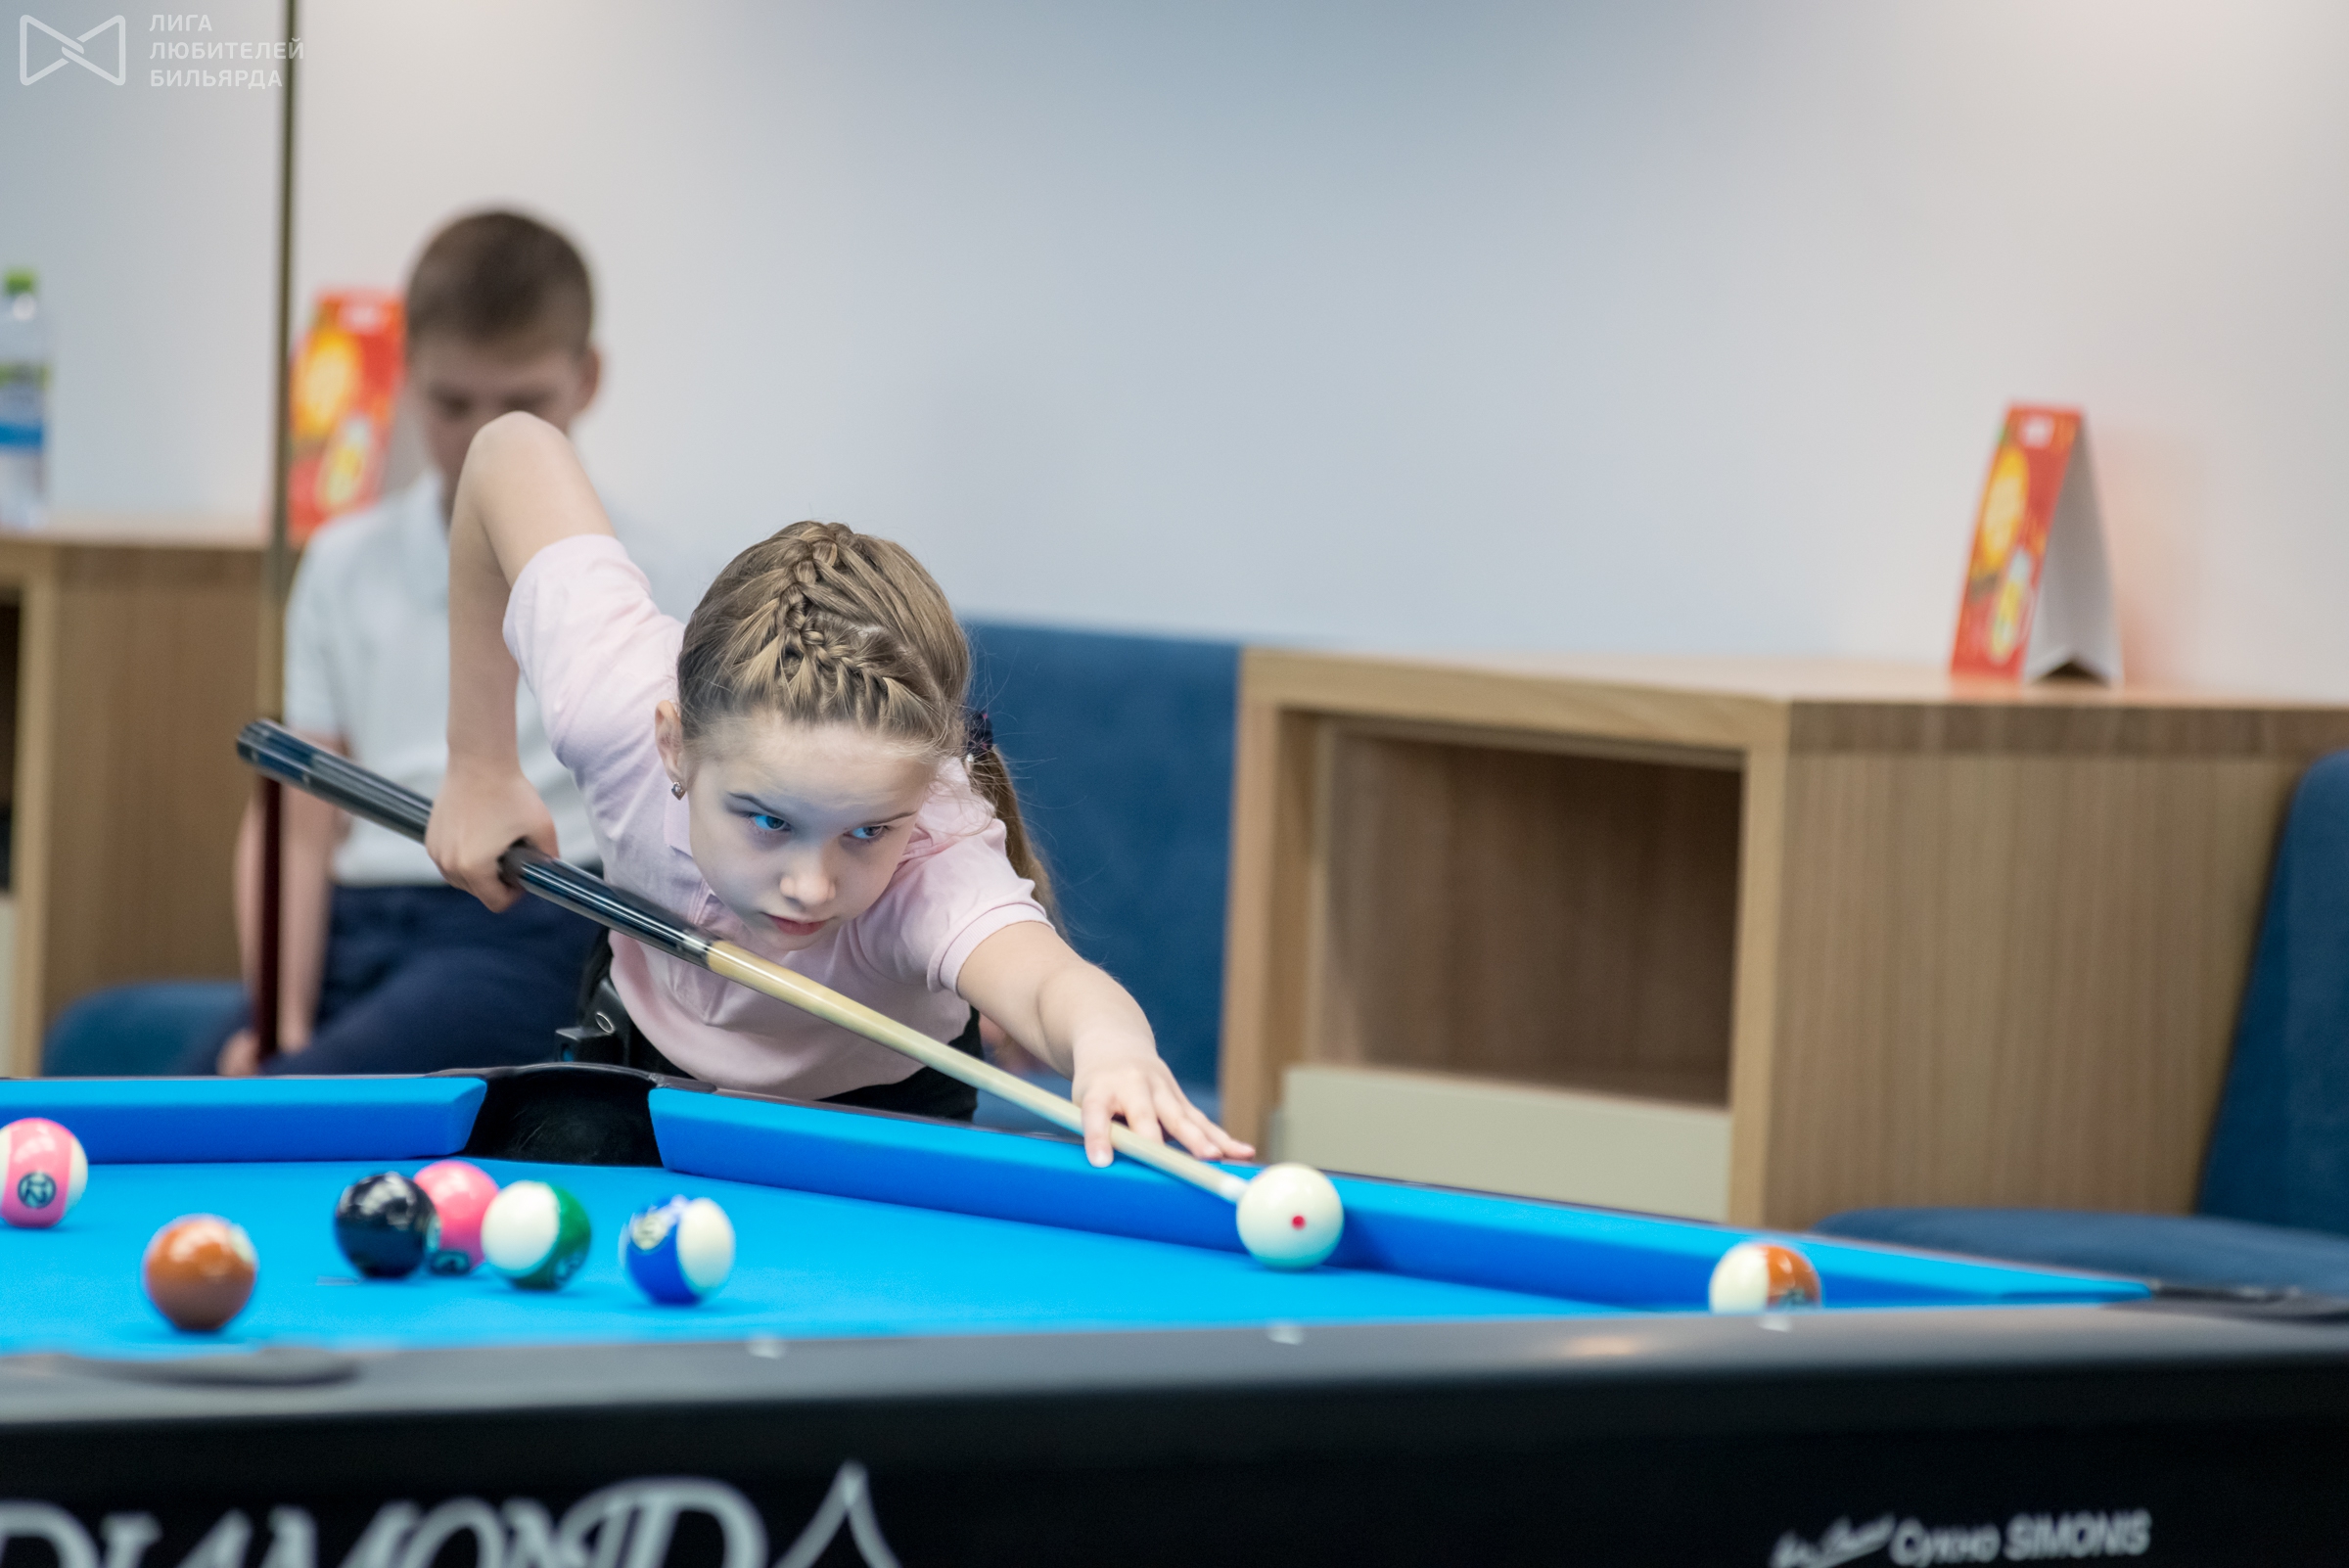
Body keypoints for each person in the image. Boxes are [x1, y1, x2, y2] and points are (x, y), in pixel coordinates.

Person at [426, 412, 1248, 1163]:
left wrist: (1113, 1052)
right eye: (768, 822)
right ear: (674, 747)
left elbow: (1049, 987)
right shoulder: (616, 707)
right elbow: (508, 451)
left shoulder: (935, 858)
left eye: (866, 832)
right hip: (641, 1053)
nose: (812, 886)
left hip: (882, 1104)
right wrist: (479, 768)